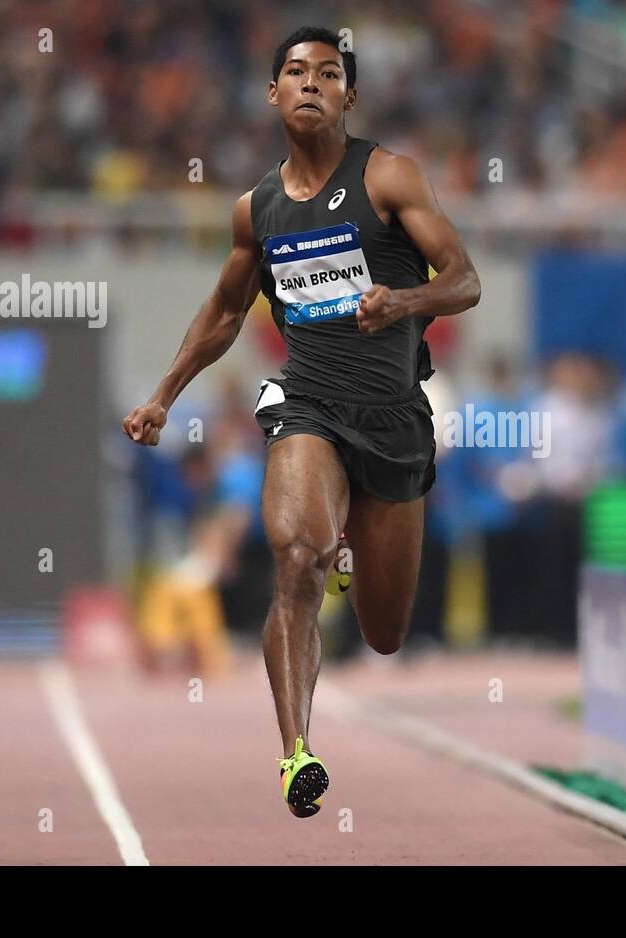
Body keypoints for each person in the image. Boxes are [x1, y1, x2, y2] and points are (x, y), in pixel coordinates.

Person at [122, 26, 480, 818]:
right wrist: (164, 395)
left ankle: (346, 536)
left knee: (384, 631)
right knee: (295, 556)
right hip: (306, 405)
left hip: (393, 422)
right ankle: (296, 753)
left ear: (350, 95)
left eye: (328, 73)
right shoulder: (259, 208)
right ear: (273, 95)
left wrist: (405, 300)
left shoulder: (388, 177)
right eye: (294, 72)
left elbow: (464, 278)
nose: (310, 83)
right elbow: (222, 311)